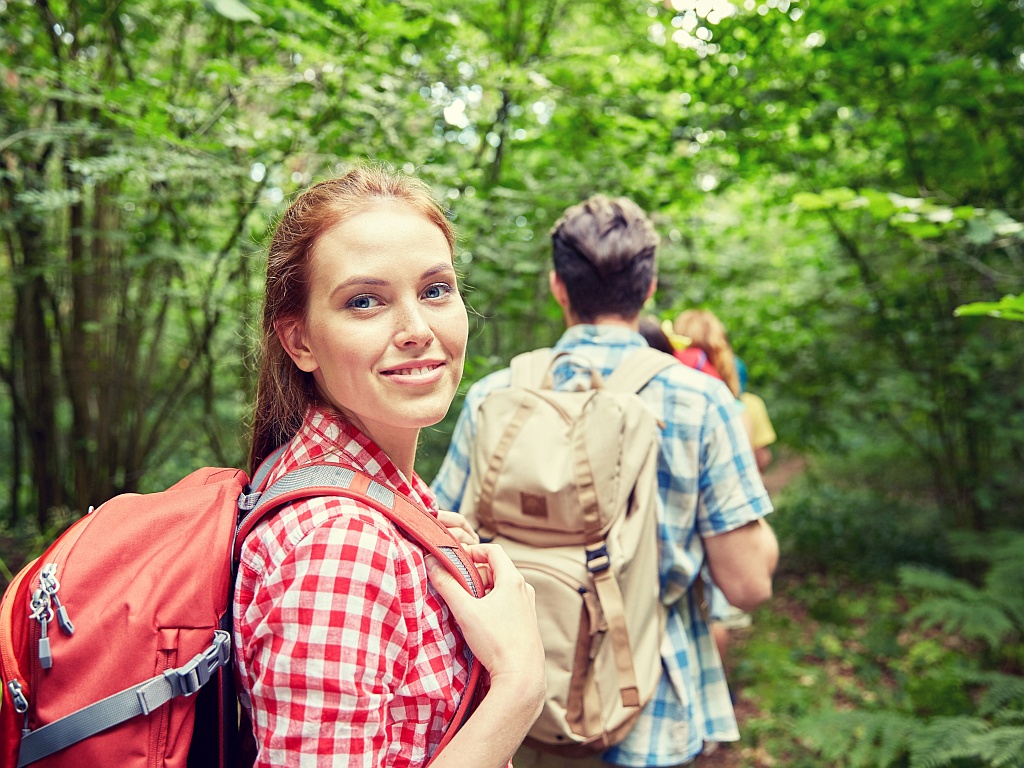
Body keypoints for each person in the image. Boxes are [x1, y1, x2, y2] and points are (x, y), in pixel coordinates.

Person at [432, 194, 778, 767]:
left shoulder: (498, 394)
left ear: (557, 287)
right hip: (649, 712)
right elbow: (746, 586)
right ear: (649, 289)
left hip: (513, 714)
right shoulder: (701, 401)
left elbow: (447, 547)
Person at [235, 165, 546, 768]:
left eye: (434, 290)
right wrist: (519, 684)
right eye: (365, 301)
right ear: (299, 341)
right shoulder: (341, 542)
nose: (416, 330)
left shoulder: (371, 487)